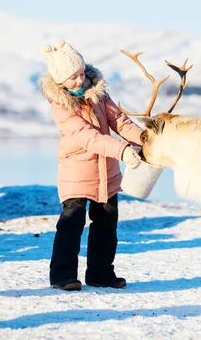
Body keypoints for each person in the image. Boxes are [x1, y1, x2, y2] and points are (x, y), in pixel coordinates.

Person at [40, 40, 144, 291]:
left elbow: (119, 121)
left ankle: (100, 274)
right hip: (77, 171)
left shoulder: (98, 94)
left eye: (82, 73)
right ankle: (63, 275)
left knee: (107, 224)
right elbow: (87, 137)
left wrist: (144, 140)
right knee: (72, 222)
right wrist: (122, 150)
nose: (80, 80)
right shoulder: (61, 106)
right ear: (60, 81)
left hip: (106, 171)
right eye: (73, 77)